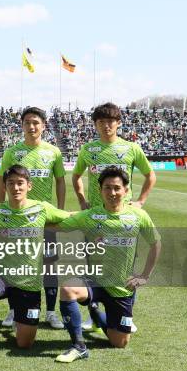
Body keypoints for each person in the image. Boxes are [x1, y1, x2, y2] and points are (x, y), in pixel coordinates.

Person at [0, 165, 70, 363]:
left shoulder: (41, 208)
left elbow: (72, 219)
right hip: (2, 277)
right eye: (10, 184)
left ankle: (19, 318)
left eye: (20, 183)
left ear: (29, 186)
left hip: (29, 283)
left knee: (24, 344)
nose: (15, 188)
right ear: (4, 187)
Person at [54, 167, 161, 363]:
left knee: (119, 342)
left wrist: (144, 275)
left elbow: (156, 243)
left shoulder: (138, 215)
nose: (112, 193)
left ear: (126, 190)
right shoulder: (91, 215)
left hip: (121, 287)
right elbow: (57, 225)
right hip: (94, 280)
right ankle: (78, 346)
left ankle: (94, 310)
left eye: (117, 188)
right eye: (107, 188)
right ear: (100, 190)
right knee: (68, 288)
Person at [71, 102, 156, 332]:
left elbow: (150, 176)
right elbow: (76, 175)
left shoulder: (131, 148)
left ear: (118, 123)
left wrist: (140, 202)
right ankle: (94, 315)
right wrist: (81, 201)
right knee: (93, 268)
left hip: (123, 218)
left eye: (110, 121)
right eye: (101, 122)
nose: (106, 126)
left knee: (125, 268)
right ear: (95, 125)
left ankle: (126, 313)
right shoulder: (88, 149)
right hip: (96, 220)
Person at [0, 107, 66, 329]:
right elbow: (1, 182)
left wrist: (60, 211)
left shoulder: (53, 152)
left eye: (36, 122)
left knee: (48, 267)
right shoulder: (11, 153)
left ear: (43, 125)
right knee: (15, 267)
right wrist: (2, 212)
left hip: (44, 220)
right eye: (27, 122)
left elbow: (61, 181)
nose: (32, 126)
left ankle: (52, 312)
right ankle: (13, 310)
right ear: (22, 125)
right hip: (16, 221)